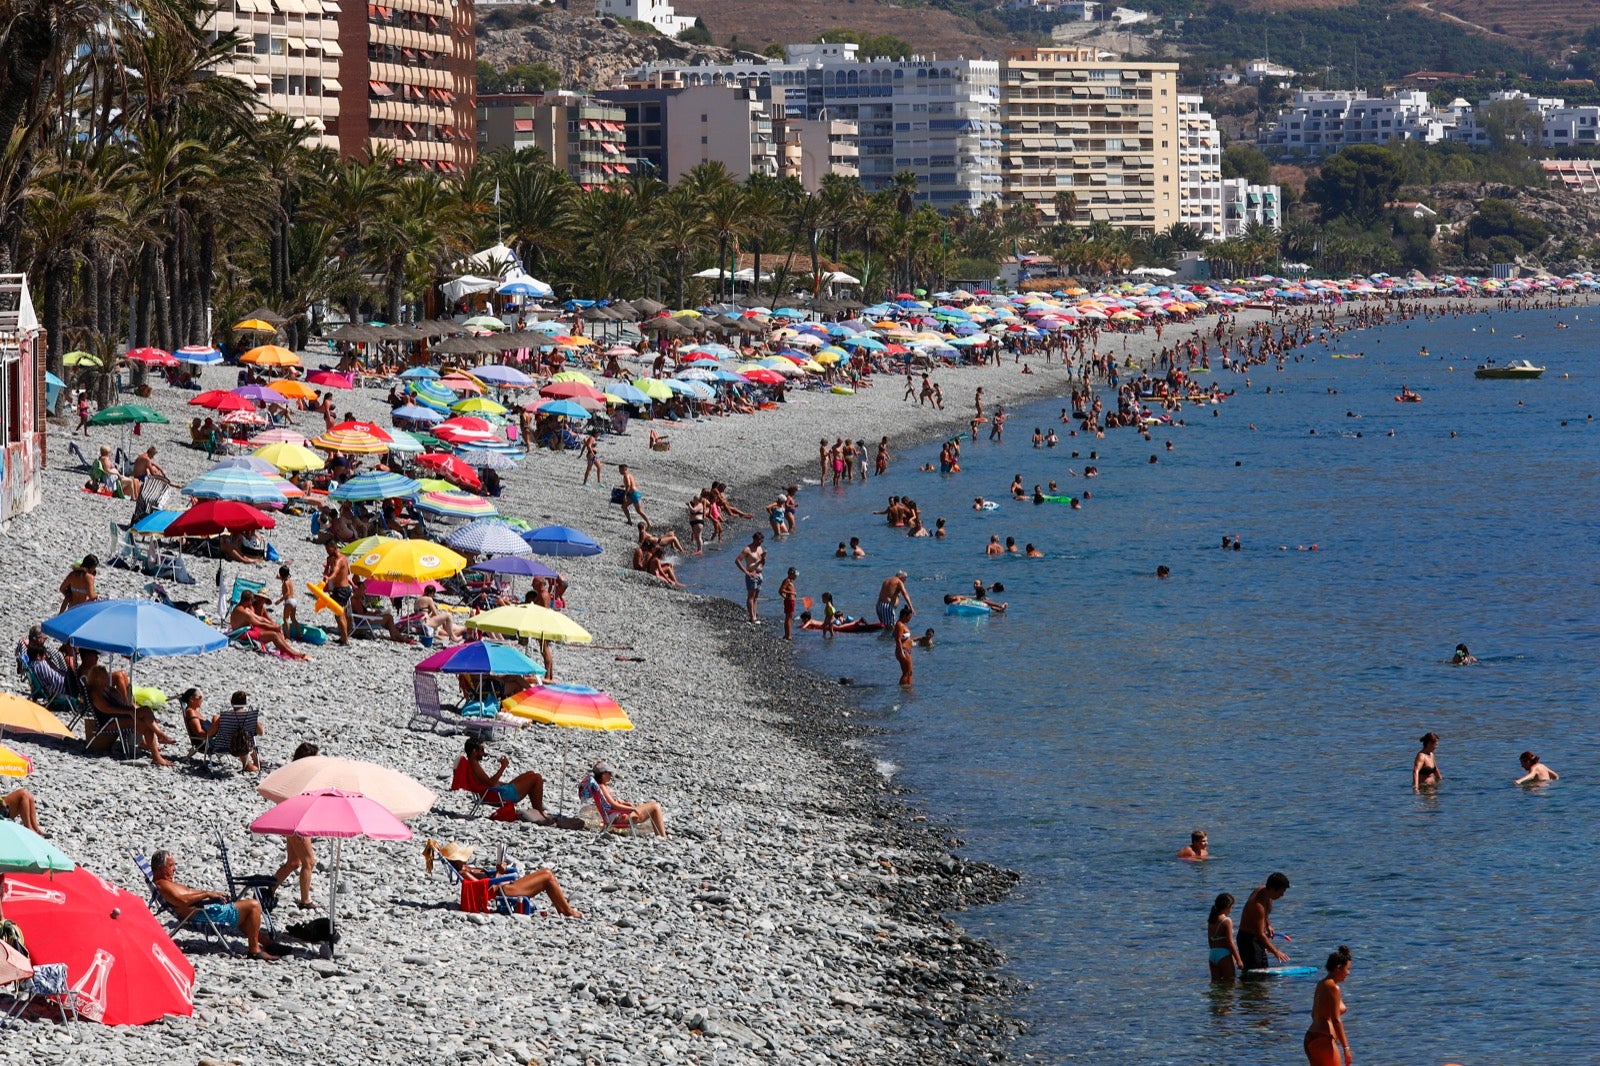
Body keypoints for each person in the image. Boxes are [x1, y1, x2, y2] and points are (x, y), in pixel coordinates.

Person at [151, 849, 281, 960]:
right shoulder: (163, 885)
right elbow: (182, 901)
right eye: (170, 865)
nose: (174, 869)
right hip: (202, 915)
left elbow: (187, 894)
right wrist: (207, 894)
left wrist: (211, 894)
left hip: (203, 911)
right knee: (253, 905)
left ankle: (267, 943)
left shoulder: (167, 884)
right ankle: (254, 950)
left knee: (245, 913)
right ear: (159, 868)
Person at [425, 840, 582, 918]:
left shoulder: (467, 869)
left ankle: (563, 908)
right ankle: (567, 911)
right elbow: (485, 888)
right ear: (457, 859)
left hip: (505, 887)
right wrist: (500, 874)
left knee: (547, 875)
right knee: (547, 875)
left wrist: (499, 870)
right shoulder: (465, 873)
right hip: (503, 891)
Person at [273, 742, 321, 909]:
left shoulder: (293, 774)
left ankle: (269, 890)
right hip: (297, 823)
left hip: (291, 822)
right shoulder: (301, 780)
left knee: (293, 862)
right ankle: (305, 901)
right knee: (309, 862)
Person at [461, 737, 551, 821]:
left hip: (493, 792)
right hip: (497, 795)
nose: (484, 753)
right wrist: (503, 767)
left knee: (530, 773)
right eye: (482, 750)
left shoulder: (470, 764)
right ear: (474, 751)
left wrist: (500, 783)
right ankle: (539, 812)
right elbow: (490, 784)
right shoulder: (474, 765)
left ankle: (538, 810)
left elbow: (485, 782)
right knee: (536, 778)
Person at [584, 761, 667, 837]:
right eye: (609, 773)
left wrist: (623, 803)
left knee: (654, 805)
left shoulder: (601, 787)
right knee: (655, 806)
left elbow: (610, 804)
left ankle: (661, 835)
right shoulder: (602, 787)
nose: (611, 775)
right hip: (620, 818)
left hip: (616, 816)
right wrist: (631, 809)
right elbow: (614, 805)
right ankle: (662, 836)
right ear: (603, 775)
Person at [1304, 946, 1353, 1066]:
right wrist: (1346, 1047)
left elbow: (1313, 1014)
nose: (1348, 973)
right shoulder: (1333, 988)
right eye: (1347, 969)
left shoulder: (1321, 984)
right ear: (1338, 968)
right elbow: (1336, 1020)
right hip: (1324, 1039)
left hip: (1311, 1036)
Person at [1239, 872, 1291, 972]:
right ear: (1272, 889)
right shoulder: (1258, 905)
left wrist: (1268, 924)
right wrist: (1276, 952)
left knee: (1263, 970)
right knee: (1255, 973)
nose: (1282, 895)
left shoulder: (1264, 890)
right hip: (1248, 940)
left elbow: (1265, 910)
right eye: (1281, 892)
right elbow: (1259, 934)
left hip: (1256, 938)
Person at [1207, 893, 1243, 982]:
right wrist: (1238, 960)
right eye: (1231, 907)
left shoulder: (1211, 920)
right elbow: (1230, 942)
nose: (1231, 910)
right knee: (1230, 983)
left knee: (1216, 985)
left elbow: (1210, 941)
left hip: (1212, 954)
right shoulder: (1226, 921)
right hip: (1224, 954)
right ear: (1227, 906)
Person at [734, 531, 766, 624]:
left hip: (759, 574)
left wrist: (763, 559)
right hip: (751, 574)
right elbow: (737, 560)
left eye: (762, 541)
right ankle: (752, 617)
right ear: (754, 539)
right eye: (759, 540)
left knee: (756, 597)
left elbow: (762, 563)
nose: (761, 542)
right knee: (751, 596)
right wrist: (746, 572)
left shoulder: (760, 548)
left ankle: (755, 615)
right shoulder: (747, 549)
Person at [616, 464, 649, 529]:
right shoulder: (629, 474)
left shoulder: (626, 476)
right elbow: (632, 484)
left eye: (620, 470)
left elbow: (628, 485)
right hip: (632, 494)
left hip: (634, 494)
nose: (619, 471)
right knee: (624, 506)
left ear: (624, 469)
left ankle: (649, 523)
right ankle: (629, 521)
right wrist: (624, 485)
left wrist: (625, 495)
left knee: (639, 511)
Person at [893, 607, 914, 686]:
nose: (910, 619)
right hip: (903, 651)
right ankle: (904, 688)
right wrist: (901, 651)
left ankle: (907, 688)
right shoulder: (899, 625)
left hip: (906, 651)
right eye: (909, 617)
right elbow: (898, 639)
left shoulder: (903, 624)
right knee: (907, 672)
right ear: (905, 615)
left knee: (909, 672)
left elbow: (905, 638)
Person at [778, 568, 798, 641]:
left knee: (788, 618)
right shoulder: (787, 581)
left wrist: (785, 597)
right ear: (791, 574)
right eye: (795, 575)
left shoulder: (789, 581)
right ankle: (788, 635)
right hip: (790, 602)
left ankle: (787, 634)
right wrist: (792, 593)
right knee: (789, 618)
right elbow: (781, 590)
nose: (796, 576)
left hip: (789, 601)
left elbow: (781, 592)